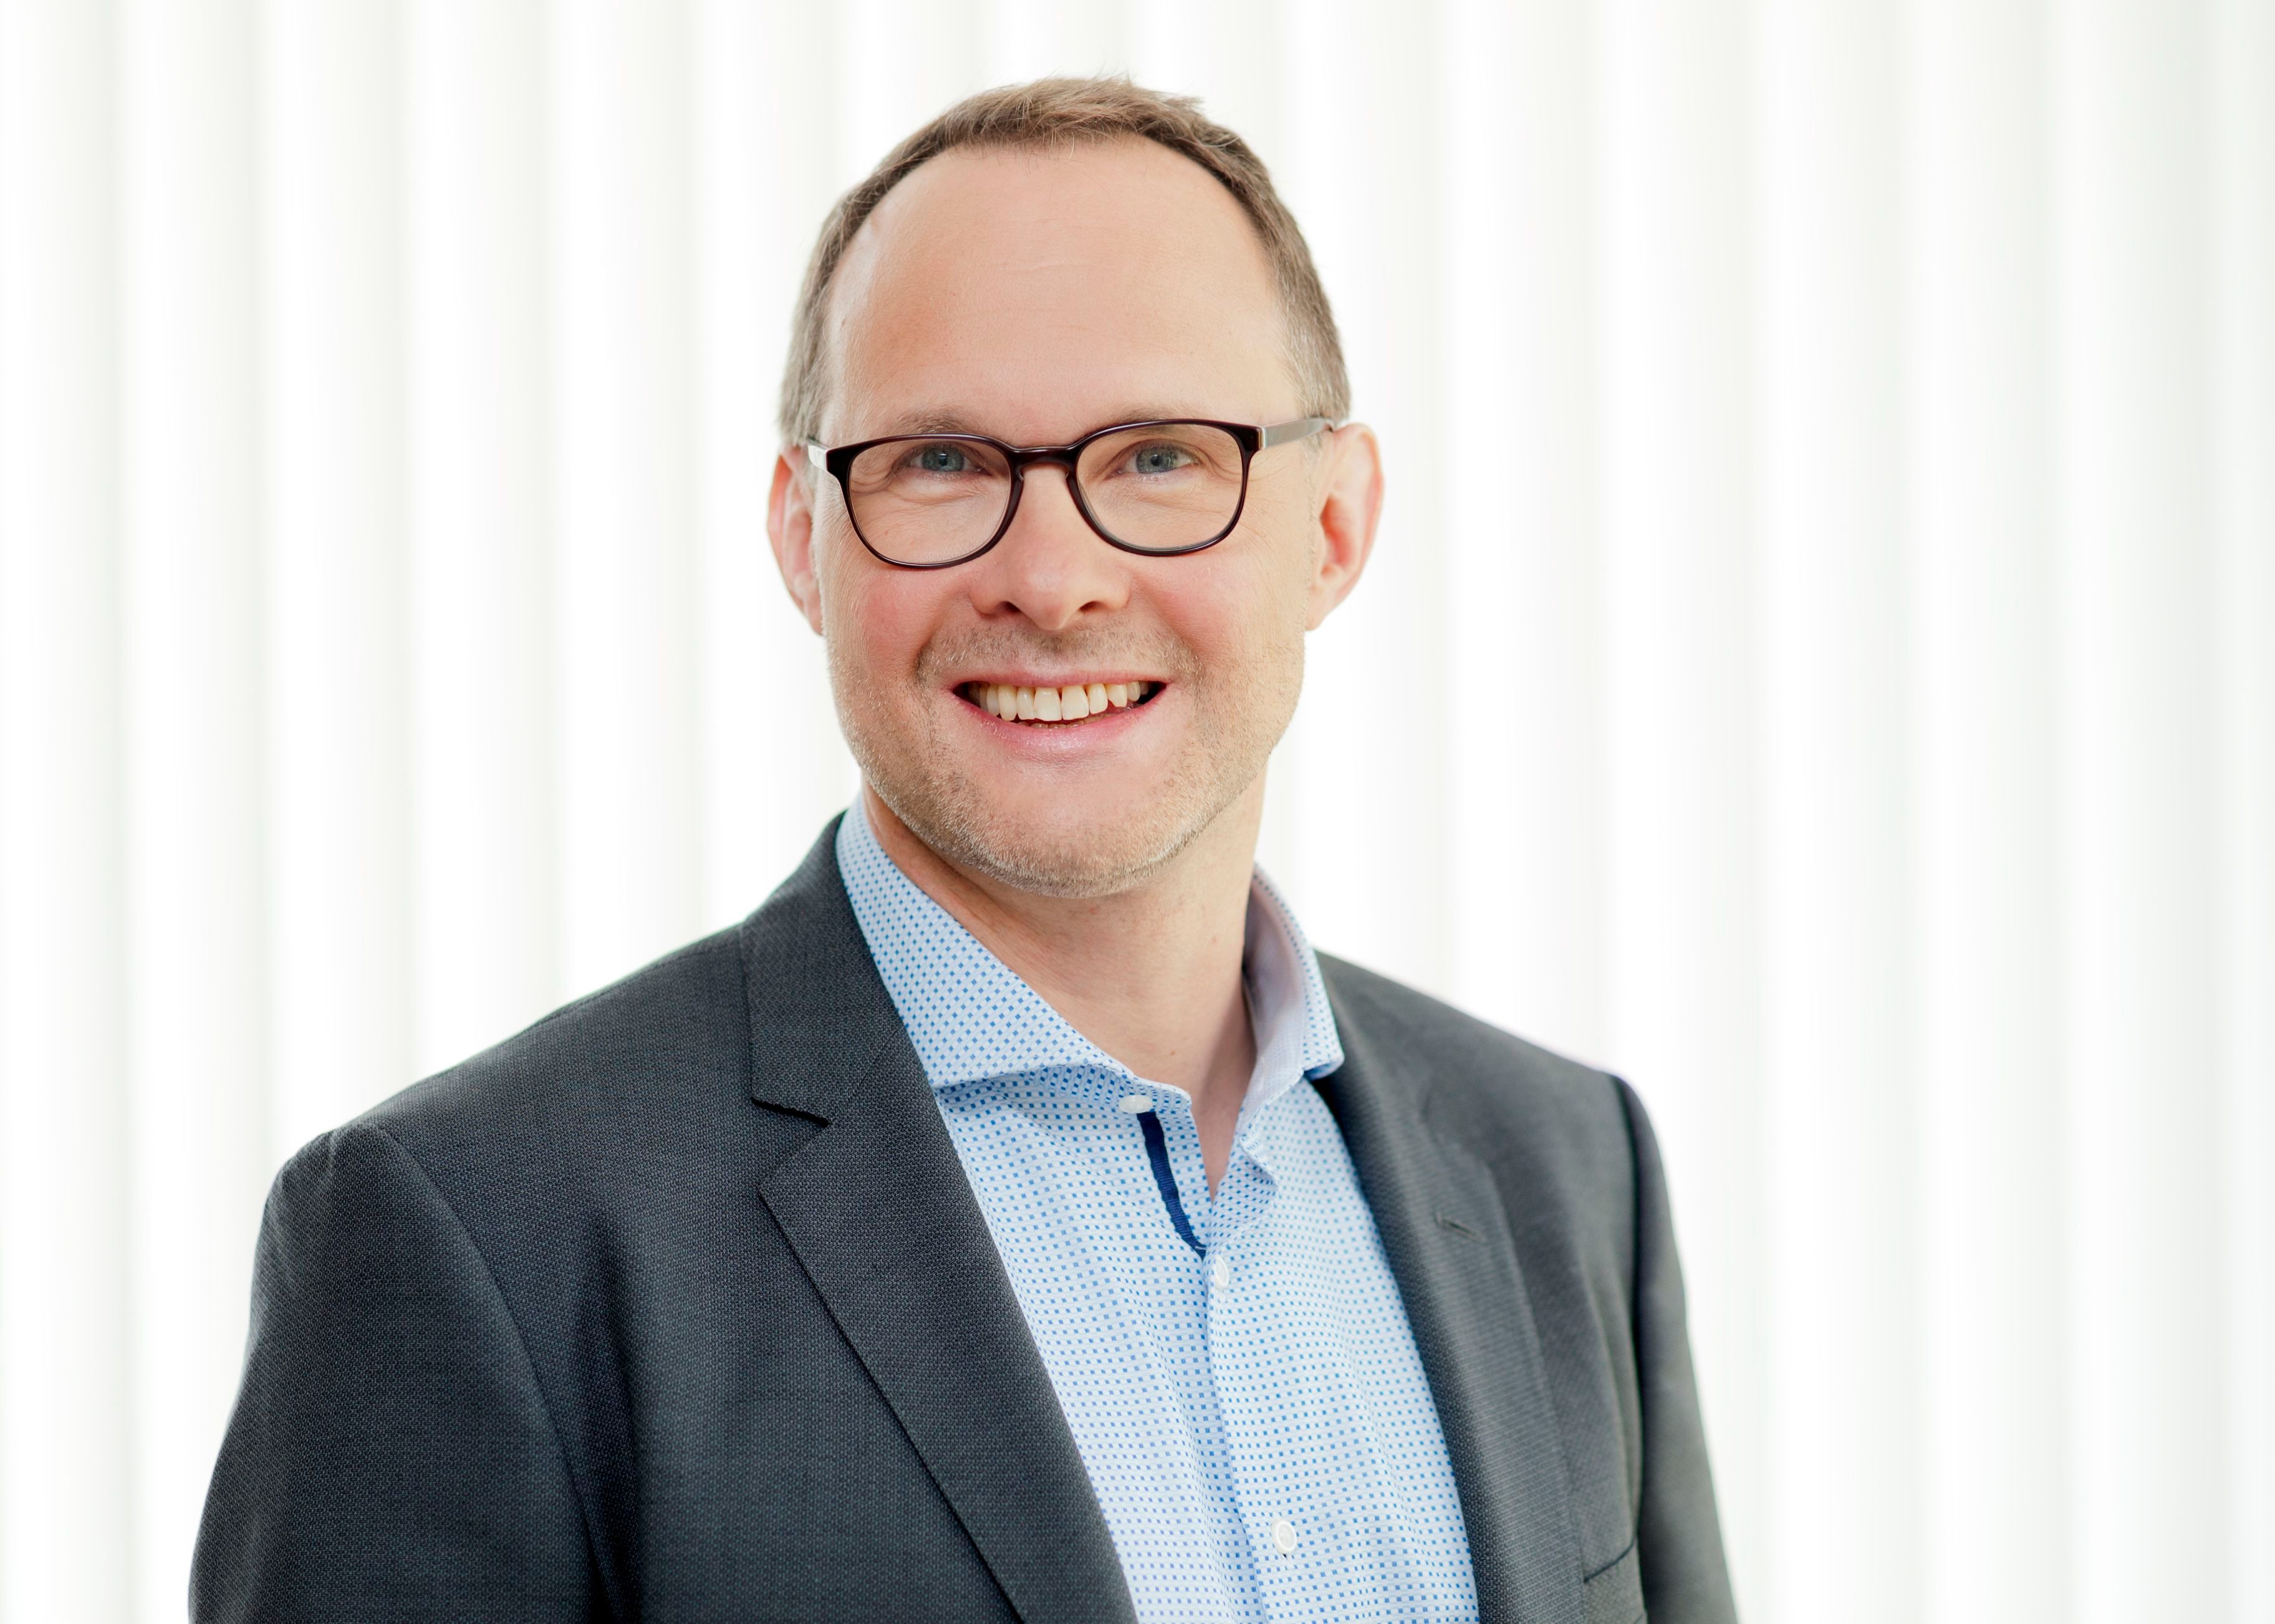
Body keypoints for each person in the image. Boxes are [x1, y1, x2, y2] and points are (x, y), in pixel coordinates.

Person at [193, 77, 1735, 1624]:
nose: (1052, 580)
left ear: (1332, 525)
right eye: (940, 461)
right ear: (803, 536)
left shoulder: (1566, 1166)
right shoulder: (474, 1230)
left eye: (1159, 456)